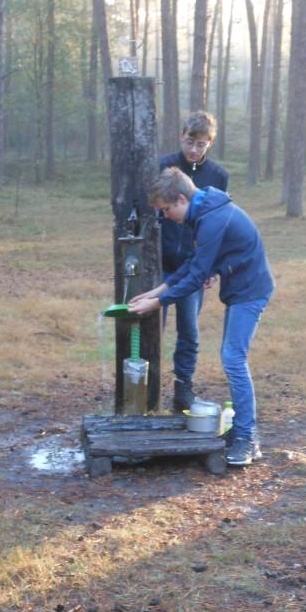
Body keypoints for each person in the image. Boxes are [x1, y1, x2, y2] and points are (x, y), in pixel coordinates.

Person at [128, 167, 274, 467]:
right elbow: (194, 265)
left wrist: (157, 304)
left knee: (233, 359)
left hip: (251, 291)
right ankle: (243, 431)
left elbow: (195, 277)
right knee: (232, 357)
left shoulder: (212, 218)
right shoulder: (205, 212)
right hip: (239, 289)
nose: (166, 216)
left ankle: (247, 438)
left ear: (181, 199)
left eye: (167, 209)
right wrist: (154, 292)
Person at [159, 111, 228, 413]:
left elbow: (218, 223)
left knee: (189, 330)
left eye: (201, 144)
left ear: (210, 144)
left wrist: (212, 266)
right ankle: (145, 387)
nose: (194, 150)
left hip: (193, 266)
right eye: (190, 142)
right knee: (151, 326)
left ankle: (182, 389)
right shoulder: (163, 167)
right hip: (159, 261)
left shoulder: (218, 175)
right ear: (181, 136)